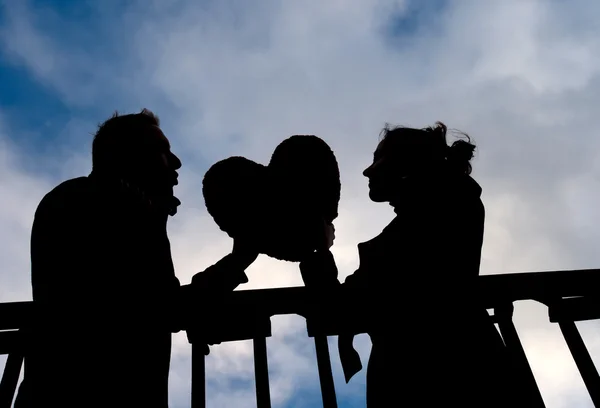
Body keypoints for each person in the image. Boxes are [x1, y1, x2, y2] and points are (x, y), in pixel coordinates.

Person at [15, 109, 257, 408]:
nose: (177, 162)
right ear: (126, 157)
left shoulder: (85, 200)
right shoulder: (100, 204)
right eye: (161, 151)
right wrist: (240, 258)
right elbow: (161, 307)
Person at [301, 122, 516, 407]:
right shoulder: (444, 205)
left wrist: (319, 249)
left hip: (430, 375)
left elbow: (344, 307)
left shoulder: (441, 208)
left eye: (379, 159)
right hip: (449, 368)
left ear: (408, 162)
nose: (368, 170)